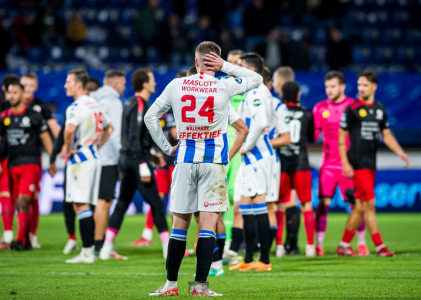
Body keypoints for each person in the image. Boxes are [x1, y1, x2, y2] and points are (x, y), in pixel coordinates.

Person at [145, 42, 262, 296]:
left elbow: (150, 117)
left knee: (179, 225)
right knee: (207, 226)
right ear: (216, 62)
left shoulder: (177, 85)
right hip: (213, 163)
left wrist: (167, 148)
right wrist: (227, 67)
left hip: (185, 159)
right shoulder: (225, 85)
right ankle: (199, 286)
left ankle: (171, 285)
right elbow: (257, 78)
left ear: (196, 62)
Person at [336, 70, 409, 257]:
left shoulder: (380, 109)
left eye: (365, 85)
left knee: (360, 206)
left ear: (374, 86)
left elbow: (386, 134)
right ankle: (380, 247)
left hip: (370, 164)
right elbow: (341, 135)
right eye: (359, 85)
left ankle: (343, 245)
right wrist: (345, 162)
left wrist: (400, 152)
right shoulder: (352, 108)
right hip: (357, 163)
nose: (361, 88)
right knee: (369, 205)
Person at [99, 69, 170, 261]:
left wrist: (151, 154)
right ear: (145, 84)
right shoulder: (140, 104)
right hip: (135, 160)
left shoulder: (129, 102)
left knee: (122, 203)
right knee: (156, 203)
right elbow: (133, 136)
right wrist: (143, 163)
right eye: (152, 79)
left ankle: (106, 247)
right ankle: (167, 248)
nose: (155, 82)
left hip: (126, 159)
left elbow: (134, 136)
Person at [313, 71, 368, 257]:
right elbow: (313, 137)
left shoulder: (353, 106)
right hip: (328, 165)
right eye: (327, 87)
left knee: (357, 205)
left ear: (342, 87)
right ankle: (319, 245)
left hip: (348, 165)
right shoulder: (319, 108)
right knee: (323, 204)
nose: (329, 90)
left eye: (333, 86)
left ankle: (361, 243)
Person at [229, 53, 273, 272]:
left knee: (258, 205)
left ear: (251, 71)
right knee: (244, 205)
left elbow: (261, 122)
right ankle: (248, 258)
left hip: (257, 154)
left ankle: (264, 260)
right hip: (253, 156)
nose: (238, 70)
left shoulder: (256, 90)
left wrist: (246, 146)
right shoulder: (256, 90)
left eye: (241, 67)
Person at [63, 70, 113, 263]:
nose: (65, 85)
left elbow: (69, 131)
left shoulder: (76, 106)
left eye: (68, 82)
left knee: (80, 204)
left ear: (78, 85)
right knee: (84, 205)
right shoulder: (95, 104)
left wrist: (68, 151)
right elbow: (110, 128)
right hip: (93, 156)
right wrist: (96, 146)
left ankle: (87, 252)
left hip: (82, 158)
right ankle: (88, 250)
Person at [131, 70, 184, 247]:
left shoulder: (177, 107)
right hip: (166, 162)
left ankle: (182, 242)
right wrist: (156, 151)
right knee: (160, 199)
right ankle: (147, 236)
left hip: (177, 162)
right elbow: (155, 133)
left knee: (177, 201)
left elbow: (176, 134)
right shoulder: (169, 108)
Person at [0, 79, 53, 250]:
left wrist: (52, 160)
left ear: (22, 94)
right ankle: (26, 240)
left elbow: (45, 138)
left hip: (30, 163)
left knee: (25, 200)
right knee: (16, 201)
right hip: (12, 164)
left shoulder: (34, 115)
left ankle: (21, 240)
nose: (12, 96)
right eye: (9, 93)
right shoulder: (4, 117)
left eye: (15, 92)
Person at [20, 72, 61, 248]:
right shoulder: (7, 106)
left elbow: (54, 129)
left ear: (36, 87)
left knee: (31, 198)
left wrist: (63, 148)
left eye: (30, 85)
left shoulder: (40, 106)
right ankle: (15, 236)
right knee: (15, 199)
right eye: (24, 85)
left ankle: (31, 235)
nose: (27, 89)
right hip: (10, 158)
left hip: (32, 158)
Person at [277, 81, 316, 257]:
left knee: (280, 205)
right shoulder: (307, 113)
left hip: (282, 164)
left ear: (282, 95)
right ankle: (310, 246)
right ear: (299, 95)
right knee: (306, 204)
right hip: (301, 163)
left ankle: (279, 247)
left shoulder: (278, 111)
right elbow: (312, 138)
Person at [90, 70, 125, 256]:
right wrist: (123, 155)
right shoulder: (113, 102)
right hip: (108, 158)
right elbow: (116, 132)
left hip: (92, 157)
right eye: (123, 83)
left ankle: (94, 243)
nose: (124, 87)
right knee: (104, 201)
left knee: (96, 202)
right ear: (117, 83)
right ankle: (99, 244)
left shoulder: (92, 99)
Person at [272, 66, 302, 255]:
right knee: (292, 202)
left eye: (274, 81)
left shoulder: (277, 107)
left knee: (275, 204)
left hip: (279, 160)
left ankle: (278, 245)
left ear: (281, 83)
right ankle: (293, 245)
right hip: (298, 161)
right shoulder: (301, 110)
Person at [262, 66, 291, 257]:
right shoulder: (245, 103)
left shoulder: (278, 106)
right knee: (245, 204)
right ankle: (251, 248)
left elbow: (286, 138)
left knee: (270, 205)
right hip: (248, 160)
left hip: (269, 160)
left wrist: (262, 144)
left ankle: (266, 251)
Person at [0, 74, 20, 248]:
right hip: (9, 159)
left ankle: (12, 236)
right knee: (9, 197)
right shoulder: (7, 110)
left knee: (11, 196)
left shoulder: (7, 110)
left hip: (10, 159)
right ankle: (10, 235)